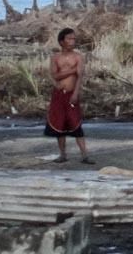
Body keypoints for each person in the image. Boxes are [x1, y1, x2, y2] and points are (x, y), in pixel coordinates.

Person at [44, 27, 94, 164]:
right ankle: (62, 154)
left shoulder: (78, 57)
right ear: (62, 41)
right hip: (59, 94)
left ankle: (85, 156)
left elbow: (80, 76)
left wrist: (76, 93)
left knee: (76, 124)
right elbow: (55, 75)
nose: (72, 41)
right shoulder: (55, 58)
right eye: (69, 39)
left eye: (74, 39)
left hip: (72, 93)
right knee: (59, 125)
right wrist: (71, 70)